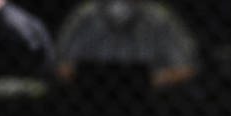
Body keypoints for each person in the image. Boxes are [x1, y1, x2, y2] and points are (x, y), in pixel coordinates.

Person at [54, 0, 200, 90]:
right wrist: (94, 82)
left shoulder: (160, 18)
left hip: (151, 102)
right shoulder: (84, 16)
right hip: (90, 99)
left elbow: (186, 68)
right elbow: (61, 64)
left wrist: (146, 82)